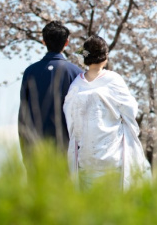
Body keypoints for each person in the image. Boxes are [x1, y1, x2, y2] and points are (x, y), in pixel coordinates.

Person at [63, 35, 150, 190]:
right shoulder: (113, 79)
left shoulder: (76, 85)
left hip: (86, 157)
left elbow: (69, 117)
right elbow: (130, 109)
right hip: (111, 154)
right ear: (105, 57)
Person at [18, 21, 83, 167]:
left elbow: (24, 113)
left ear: (43, 41)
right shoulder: (76, 73)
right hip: (68, 149)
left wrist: (25, 150)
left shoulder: (30, 72)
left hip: (36, 148)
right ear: (66, 42)